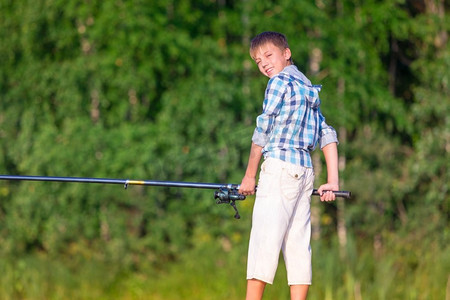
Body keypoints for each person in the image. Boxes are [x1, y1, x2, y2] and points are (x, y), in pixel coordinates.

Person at [238, 31, 339, 300]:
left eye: (268, 55)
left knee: (263, 244)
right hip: (304, 173)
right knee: (297, 246)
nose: (264, 64)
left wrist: (249, 177)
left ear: (286, 53)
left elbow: (263, 127)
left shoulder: (279, 82)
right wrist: (333, 181)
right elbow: (326, 134)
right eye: (258, 61)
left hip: (280, 168)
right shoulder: (308, 87)